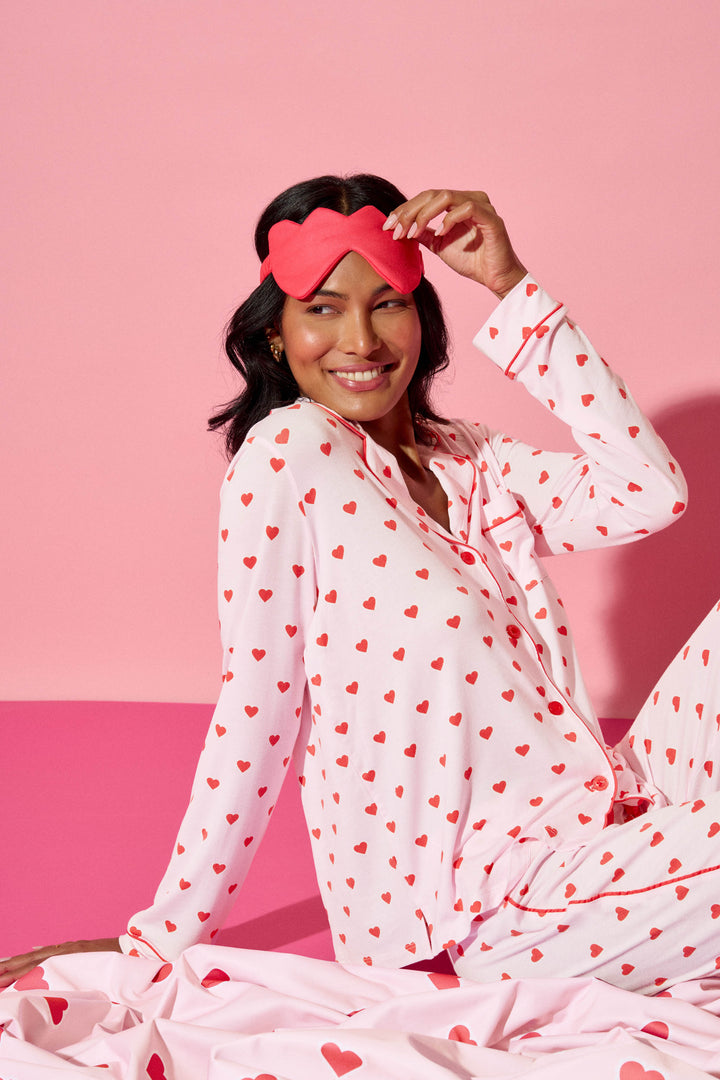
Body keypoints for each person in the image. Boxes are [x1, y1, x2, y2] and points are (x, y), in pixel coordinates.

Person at [2, 175, 718, 997]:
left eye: (388, 303)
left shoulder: (470, 457)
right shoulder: (290, 455)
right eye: (323, 308)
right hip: (505, 904)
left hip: (617, 809)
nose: (362, 338)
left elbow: (651, 492)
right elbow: (258, 708)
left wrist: (507, 283)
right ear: (275, 336)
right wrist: (162, 939)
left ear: (423, 316)